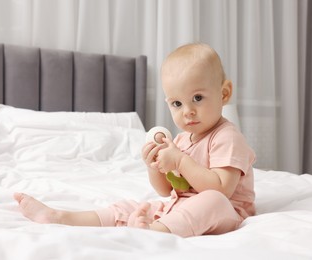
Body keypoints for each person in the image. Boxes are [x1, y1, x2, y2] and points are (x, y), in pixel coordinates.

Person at [14, 43, 256, 237]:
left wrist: (180, 162)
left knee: (212, 200)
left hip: (224, 213)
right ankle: (61, 217)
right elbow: (167, 190)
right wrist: (155, 167)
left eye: (198, 98)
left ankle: (154, 233)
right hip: (179, 208)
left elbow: (221, 189)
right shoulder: (182, 141)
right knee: (132, 206)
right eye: (177, 103)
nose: (188, 111)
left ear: (224, 93)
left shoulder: (227, 136)